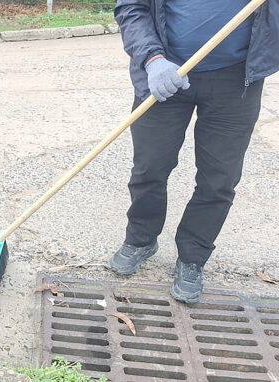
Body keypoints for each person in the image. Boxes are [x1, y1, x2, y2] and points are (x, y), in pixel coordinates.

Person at [110, 0, 279, 303]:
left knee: (219, 180)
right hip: (166, 72)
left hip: (236, 79)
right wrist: (153, 60)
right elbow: (131, 7)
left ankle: (192, 258)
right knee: (149, 167)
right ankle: (141, 239)